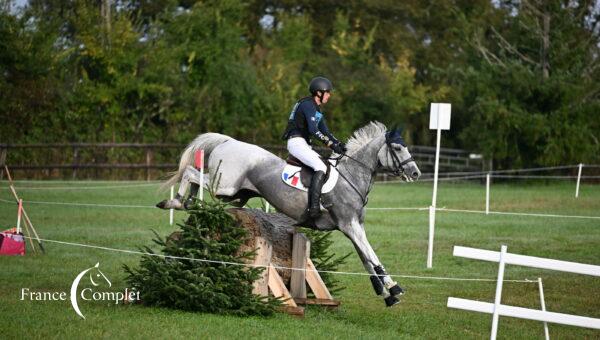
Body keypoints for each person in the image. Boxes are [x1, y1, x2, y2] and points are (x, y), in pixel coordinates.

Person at [282, 76, 347, 218]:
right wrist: (330, 144)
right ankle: (314, 208)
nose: (329, 96)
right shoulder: (307, 105)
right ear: (319, 93)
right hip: (296, 142)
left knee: (325, 165)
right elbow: (313, 130)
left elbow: (325, 131)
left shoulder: (316, 109)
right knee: (321, 167)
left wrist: (338, 143)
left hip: (303, 144)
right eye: (327, 92)